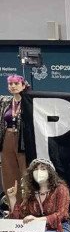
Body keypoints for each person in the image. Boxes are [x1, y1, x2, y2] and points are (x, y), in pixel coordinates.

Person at [5, 158, 70, 232]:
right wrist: (12, 198)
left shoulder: (60, 189)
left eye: (43, 169)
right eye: (36, 169)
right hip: (35, 230)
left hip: (59, 230)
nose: (39, 172)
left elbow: (61, 214)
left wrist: (38, 220)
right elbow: (18, 218)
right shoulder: (31, 192)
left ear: (50, 172)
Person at [0, 75, 30, 203]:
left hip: (23, 139)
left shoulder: (29, 101)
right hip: (6, 137)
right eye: (10, 84)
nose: (13, 86)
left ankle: (27, 203)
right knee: (8, 172)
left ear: (23, 85)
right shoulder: (4, 101)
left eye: (16, 84)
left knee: (25, 171)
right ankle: (13, 206)